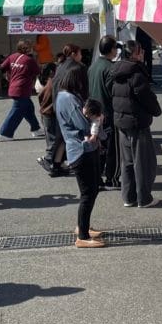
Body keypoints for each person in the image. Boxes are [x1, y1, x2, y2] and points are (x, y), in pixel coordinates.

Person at [54, 61, 104, 248]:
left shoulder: (63, 96)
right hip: (80, 150)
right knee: (88, 192)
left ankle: (83, 226)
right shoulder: (69, 99)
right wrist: (95, 119)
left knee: (91, 190)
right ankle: (82, 235)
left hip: (79, 149)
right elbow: (82, 124)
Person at [109, 40, 162, 208]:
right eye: (141, 51)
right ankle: (144, 198)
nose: (143, 53)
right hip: (137, 123)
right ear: (134, 54)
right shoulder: (136, 73)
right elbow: (146, 97)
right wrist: (156, 110)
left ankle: (129, 197)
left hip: (122, 122)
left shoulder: (117, 72)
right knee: (143, 162)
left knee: (128, 162)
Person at [0, 40, 44, 141]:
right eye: (29, 47)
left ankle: (36, 129)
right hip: (22, 89)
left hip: (14, 87)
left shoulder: (12, 56)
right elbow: (38, 72)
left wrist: (7, 76)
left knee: (29, 108)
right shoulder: (29, 60)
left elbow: (2, 67)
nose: (31, 48)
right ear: (25, 49)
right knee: (17, 111)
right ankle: (4, 133)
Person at [88, 35, 119, 189]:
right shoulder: (110, 68)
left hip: (94, 113)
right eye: (115, 48)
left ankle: (96, 178)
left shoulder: (93, 66)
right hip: (107, 113)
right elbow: (112, 92)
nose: (116, 51)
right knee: (112, 149)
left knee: (99, 149)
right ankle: (111, 178)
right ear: (111, 49)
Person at [37, 62, 68, 177]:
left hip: (48, 113)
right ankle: (48, 159)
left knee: (58, 140)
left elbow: (41, 97)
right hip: (49, 114)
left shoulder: (48, 82)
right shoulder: (54, 82)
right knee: (54, 140)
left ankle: (57, 164)